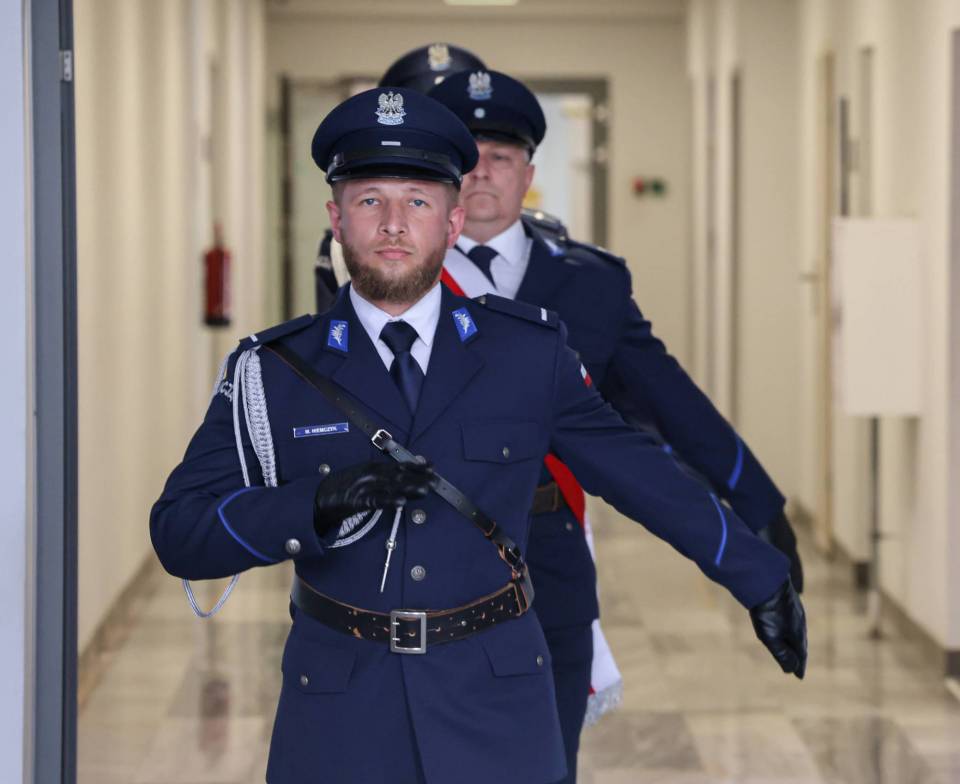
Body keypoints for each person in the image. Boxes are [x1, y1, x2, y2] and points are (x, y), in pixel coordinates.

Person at [151, 86, 806, 784]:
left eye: (418, 201)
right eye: (370, 200)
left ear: (453, 219)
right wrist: (312, 506)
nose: (394, 224)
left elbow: (639, 473)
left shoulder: (527, 354)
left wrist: (758, 575)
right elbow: (180, 532)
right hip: (340, 711)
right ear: (336, 219)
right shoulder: (275, 371)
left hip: (496, 701)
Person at [426, 68, 805, 783]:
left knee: (548, 757)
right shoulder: (396, 276)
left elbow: (668, 400)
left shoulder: (591, 282)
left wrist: (755, 502)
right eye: (466, 158)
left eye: (501, 157)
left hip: (550, 549)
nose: (482, 174)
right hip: (431, 550)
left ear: (529, 174)